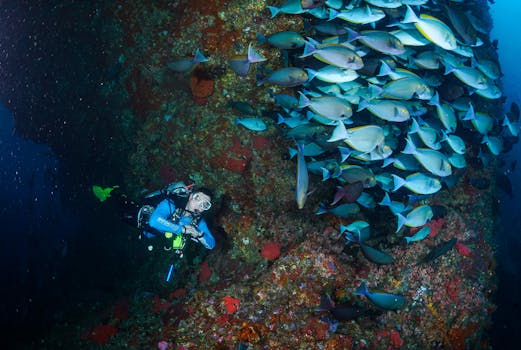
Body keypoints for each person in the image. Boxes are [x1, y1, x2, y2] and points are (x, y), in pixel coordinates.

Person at [93, 182, 216, 251]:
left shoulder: (198, 222)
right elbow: (154, 220)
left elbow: (211, 244)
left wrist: (199, 235)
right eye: (197, 198)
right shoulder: (172, 203)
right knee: (120, 210)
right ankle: (111, 192)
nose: (199, 205)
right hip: (139, 218)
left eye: (205, 204)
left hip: (150, 234)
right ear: (190, 196)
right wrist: (182, 229)